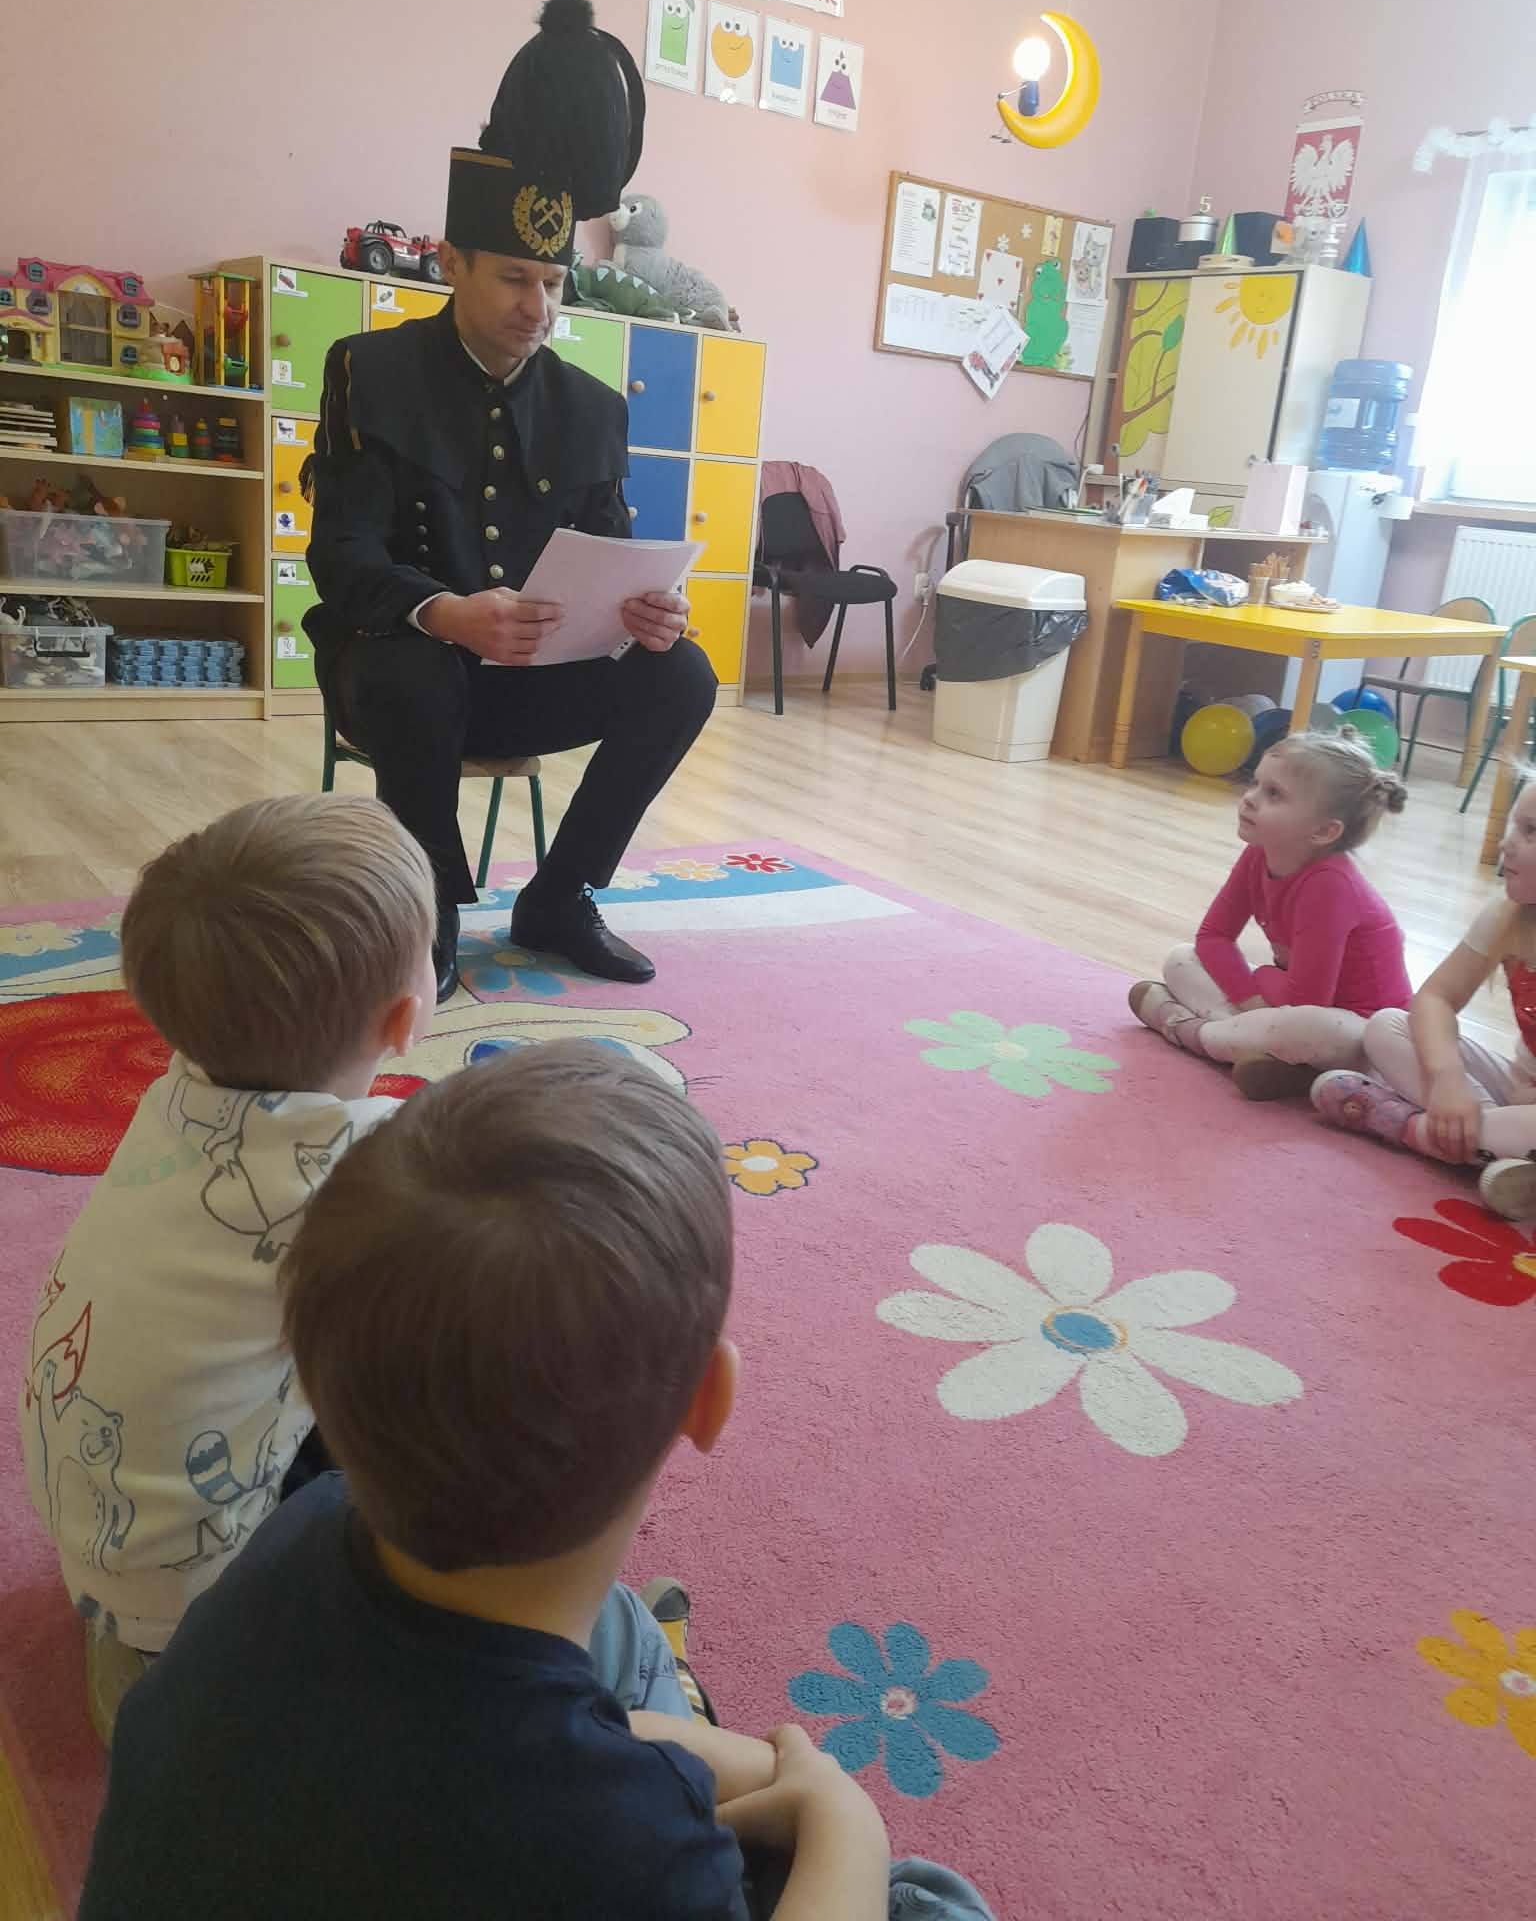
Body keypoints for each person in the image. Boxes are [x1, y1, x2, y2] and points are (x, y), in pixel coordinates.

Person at [78, 1045, 994, 1921]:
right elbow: (622, 1829)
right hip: (541, 1836)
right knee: (927, 1899)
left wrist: (750, 1770)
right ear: (708, 1399)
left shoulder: (302, 1523)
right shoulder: (635, 1855)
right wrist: (842, 1818)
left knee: (612, 1625)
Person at [303, 0, 716, 1005]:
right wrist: (447, 612)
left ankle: (561, 896)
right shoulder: (370, 371)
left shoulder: (592, 408)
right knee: (414, 674)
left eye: (554, 283)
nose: (538, 308)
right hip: (400, 670)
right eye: (513, 280)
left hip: (530, 677)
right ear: (452, 263)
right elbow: (341, 559)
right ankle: (429, 911)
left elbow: (613, 556)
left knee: (682, 674)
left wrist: (648, 611)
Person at [16, 796, 437, 1742]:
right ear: (406, 1017)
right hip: (199, 1588)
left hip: (97, 1525)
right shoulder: (365, 1173)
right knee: (447, 1404)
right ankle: (203, 1679)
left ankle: (151, 1645)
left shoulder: (180, 1093)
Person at [1128, 730, 1411, 1099]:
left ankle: (1191, 1031)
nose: (1250, 798)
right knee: (1181, 959)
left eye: (1274, 794)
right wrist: (1252, 999)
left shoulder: (1330, 885)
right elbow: (1213, 937)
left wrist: (1257, 980)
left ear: (1324, 831)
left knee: (1307, 1025)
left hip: (1363, 1038)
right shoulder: (1259, 853)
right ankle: (1266, 1054)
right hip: (1289, 1008)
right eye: (1255, 783)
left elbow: (1308, 1001)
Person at [1313, 772, 1536, 1220]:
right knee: (1386, 1026)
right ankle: (1485, 1142)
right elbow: (1435, 998)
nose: (1506, 843)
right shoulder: (1508, 914)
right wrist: (1448, 1080)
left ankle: (1407, 1126)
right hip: (1517, 1095)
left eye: (1531, 832)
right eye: (1514, 824)